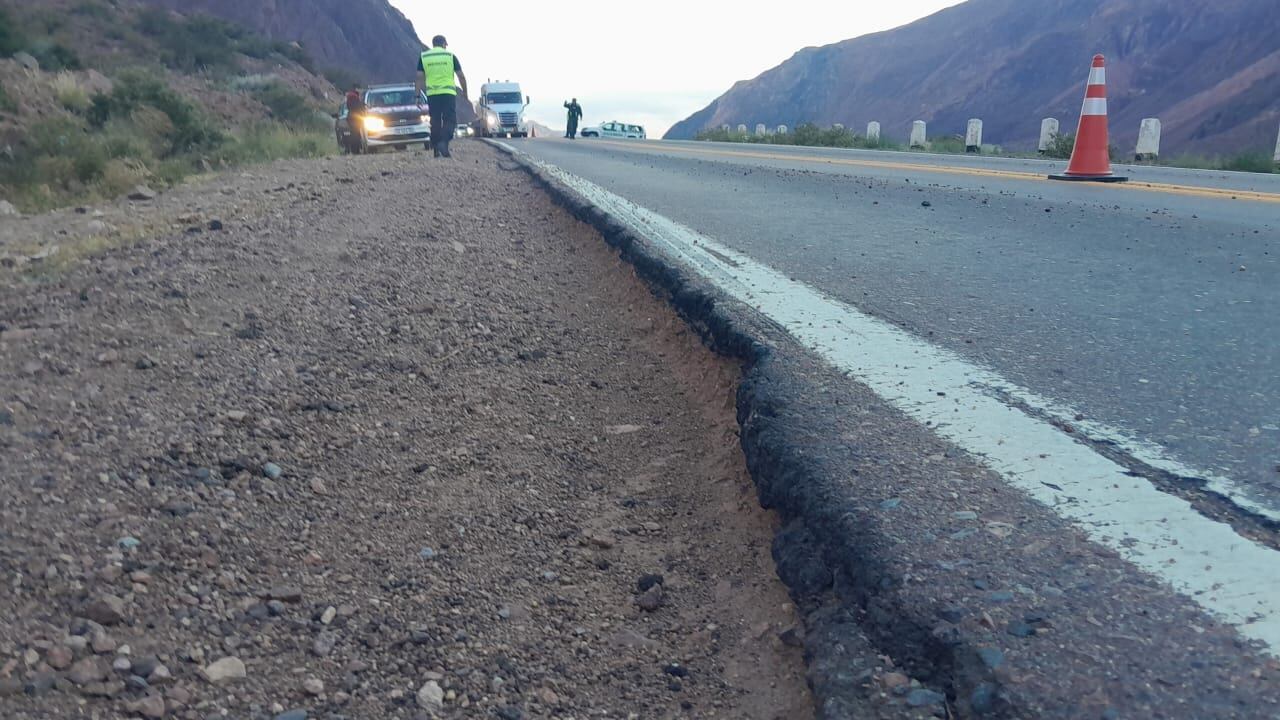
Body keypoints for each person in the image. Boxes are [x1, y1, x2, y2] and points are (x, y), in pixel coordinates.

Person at [416, 35, 468, 158]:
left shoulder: (424, 57)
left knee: (435, 121)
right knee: (450, 120)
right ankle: (443, 142)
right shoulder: (450, 56)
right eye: (446, 44)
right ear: (444, 44)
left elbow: (418, 77)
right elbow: (461, 76)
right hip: (448, 93)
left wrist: (417, 96)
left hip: (432, 94)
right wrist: (465, 92)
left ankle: (436, 148)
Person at [344, 84, 365, 152]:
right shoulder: (355, 97)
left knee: (354, 133)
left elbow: (348, 106)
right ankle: (356, 148)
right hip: (356, 117)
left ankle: (354, 148)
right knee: (357, 133)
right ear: (356, 89)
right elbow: (358, 106)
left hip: (351, 117)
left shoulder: (349, 96)